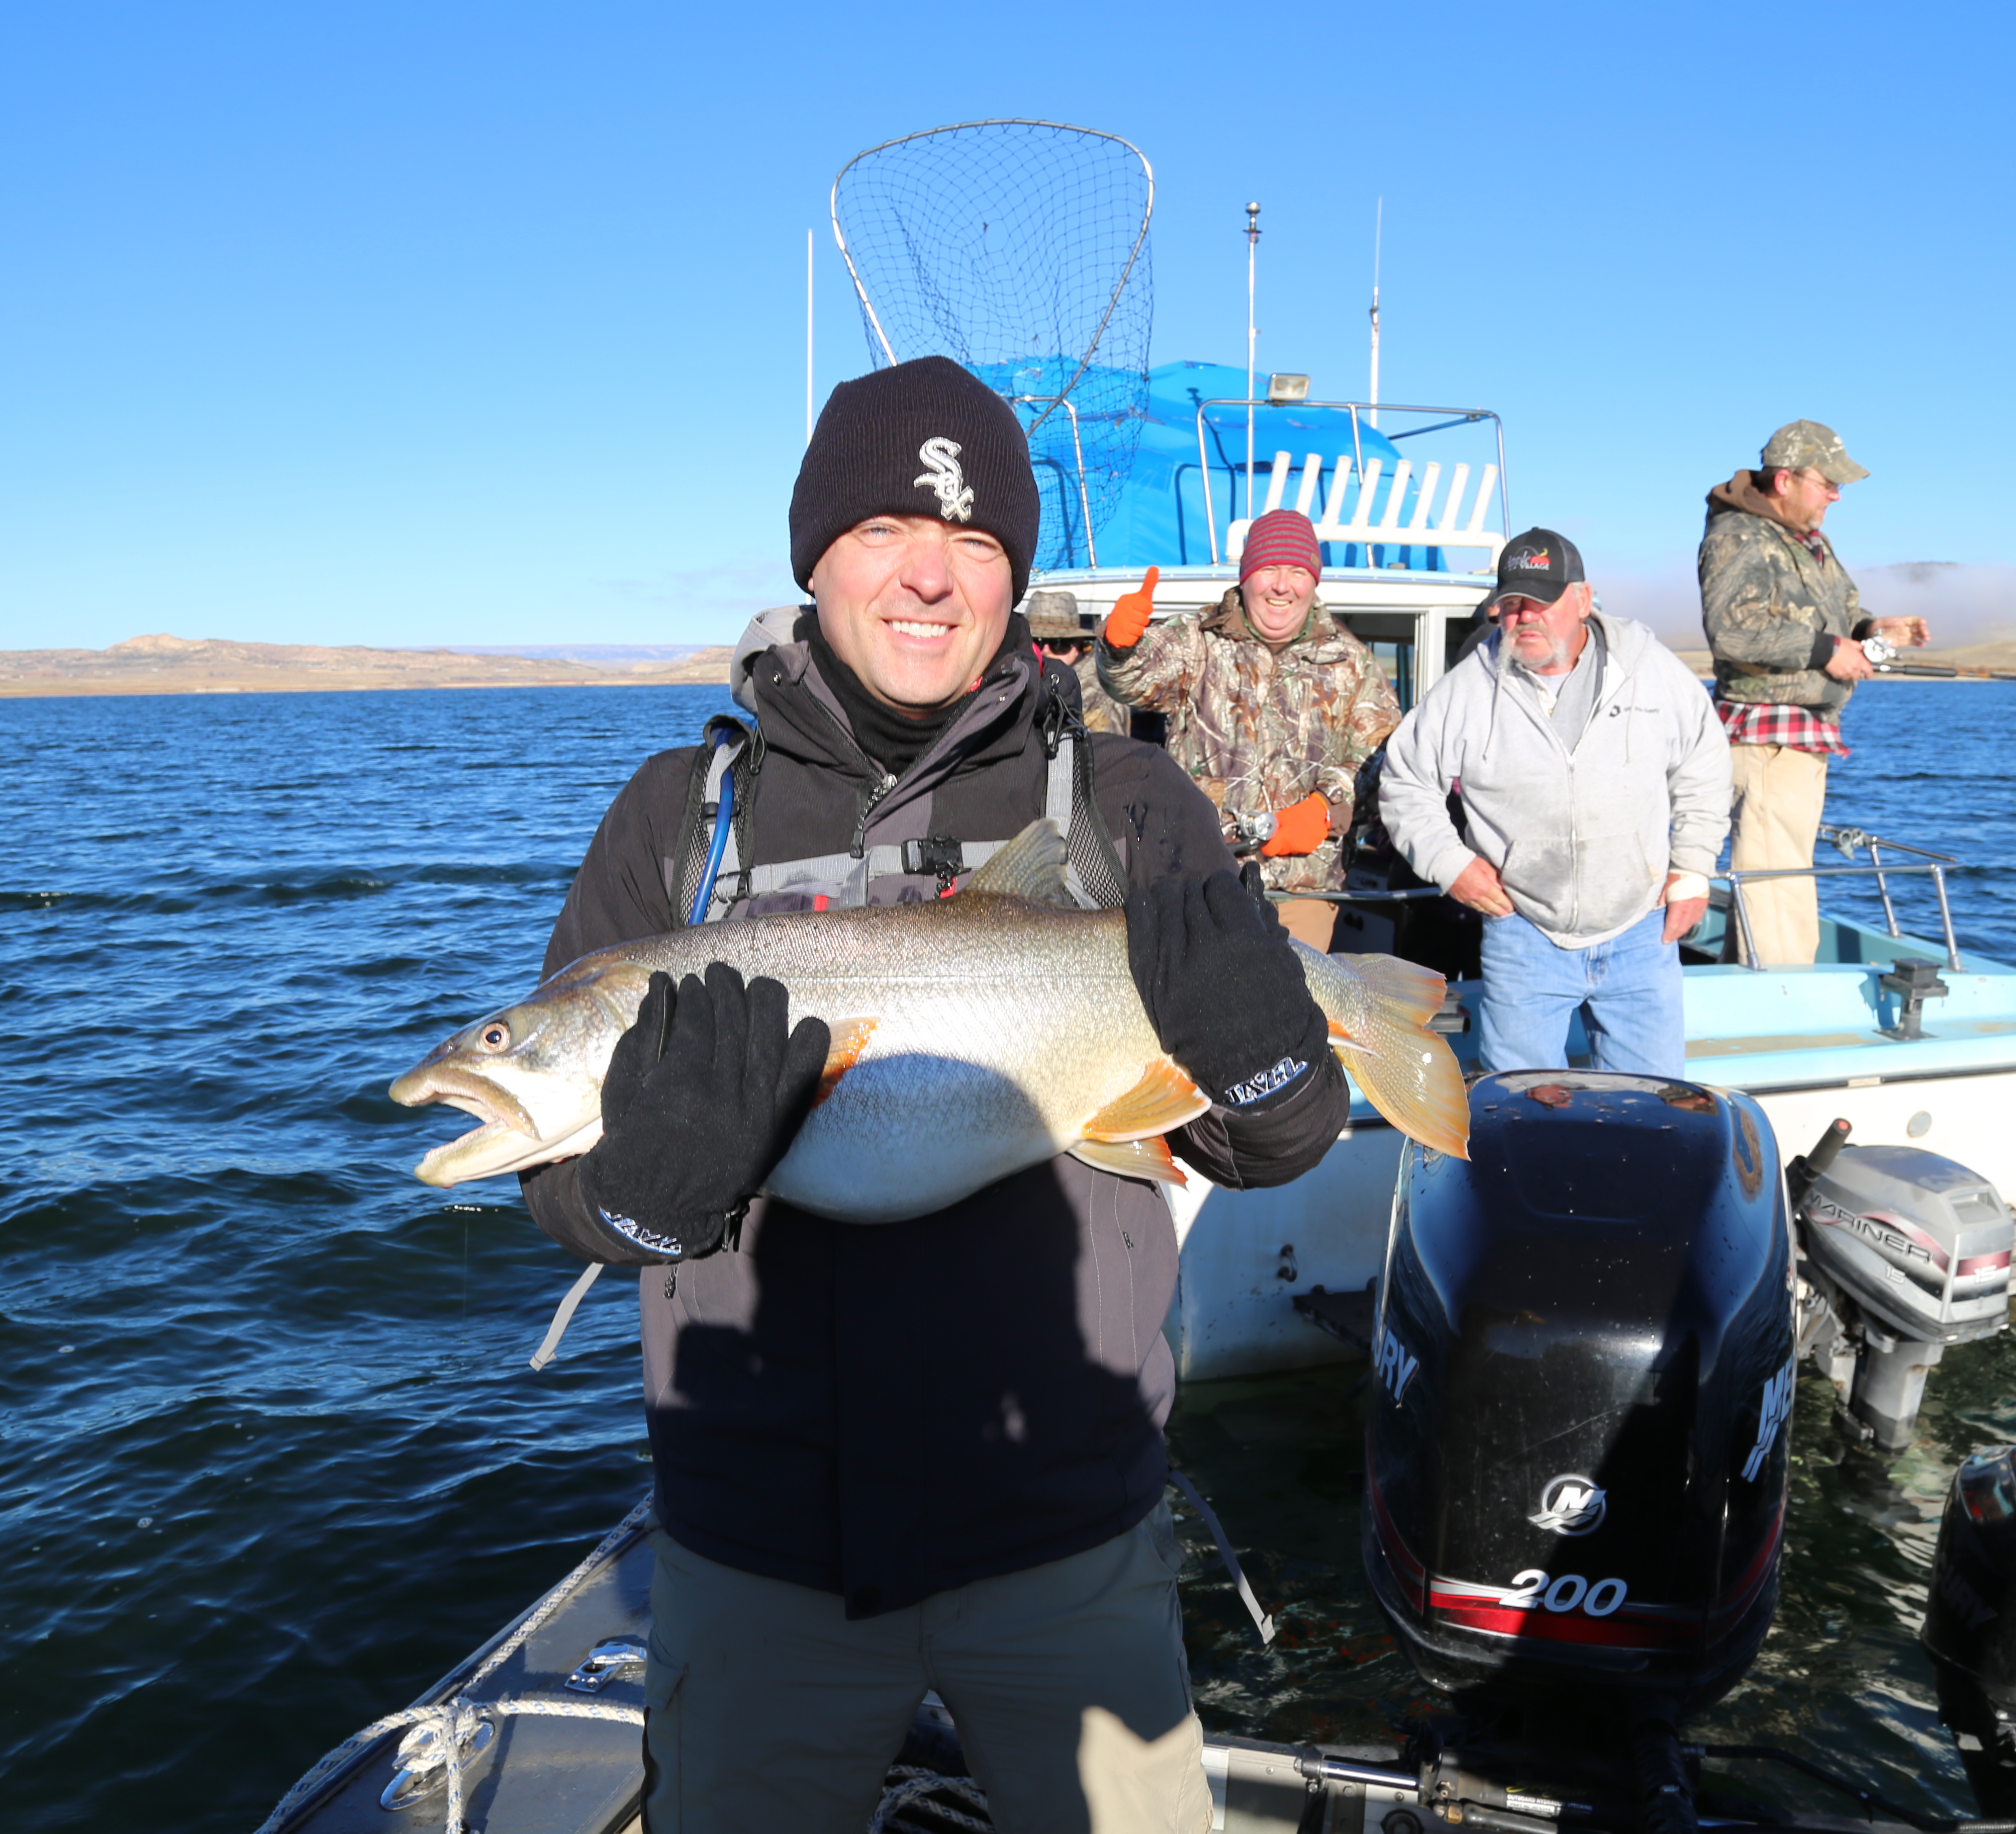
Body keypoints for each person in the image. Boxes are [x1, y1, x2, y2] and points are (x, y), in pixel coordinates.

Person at [516, 355, 1349, 1834]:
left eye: (974, 542)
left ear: (1013, 580)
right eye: (889, 528)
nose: (930, 576)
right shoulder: (679, 821)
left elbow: (1274, 1135)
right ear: (814, 554)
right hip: (757, 1546)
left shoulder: (1132, 805)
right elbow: (564, 1191)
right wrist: (635, 1197)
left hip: (1066, 1532)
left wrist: (1281, 1061)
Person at [1376, 527, 1730, 1077]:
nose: (1525, 617)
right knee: (1522, 1114)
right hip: (1523, 936)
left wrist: (1693, 870)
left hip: (1643, 930)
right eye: (1512, 604)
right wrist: (1452, 865)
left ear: (1583, 600)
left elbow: (1704, 764)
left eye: (1541, 601)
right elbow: (1405, 783)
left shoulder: (1652, 670)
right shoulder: (1465, 690)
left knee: (1652, 1111)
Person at [1095, 507, 1402, 951]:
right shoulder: (1198, 639)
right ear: (1245, 577)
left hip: (1300, 892)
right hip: (1196, 878)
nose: (1282, 585)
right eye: (1269, 569)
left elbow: (1384, 757)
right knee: (1197, 1013)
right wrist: (1117, 647)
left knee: (1289, 1014)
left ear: (1314, 581)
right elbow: (1130, 681)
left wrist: (1326, 806)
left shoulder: (1352, 663)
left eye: (1297, 571)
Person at [1698, 420, 1931, 965]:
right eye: (1828, 482)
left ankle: (1757, 990)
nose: (1836, 495)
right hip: (1767, 741)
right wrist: (1828, 651)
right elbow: (1732, 632)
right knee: (1775, 884)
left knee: (1776, 874)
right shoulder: (1738, 537)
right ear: (1785, 480)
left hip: (1802, 740)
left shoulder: (1811, 541)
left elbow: (1844, 613)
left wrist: (1874, 630)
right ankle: (1780, 1004)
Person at [1025, 589, 1130, 734]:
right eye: (1036, 642)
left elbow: (1102, 754)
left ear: (1079, 645)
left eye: (1059, 644)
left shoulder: (1100, 697)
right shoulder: (1018, 681)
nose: (1046, 651)